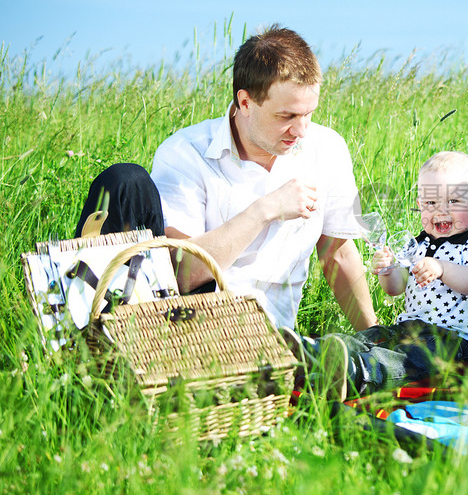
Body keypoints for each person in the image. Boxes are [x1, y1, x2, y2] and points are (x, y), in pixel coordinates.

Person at [75, 25, 377, 332]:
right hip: (192, 324)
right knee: (125, 181)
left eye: (309, 113)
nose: (301, 131)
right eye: (286, 116)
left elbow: (337, 255)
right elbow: (182, 273)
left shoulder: (326, 148)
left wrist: (375, 340)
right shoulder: (185, 153)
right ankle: (88, 344)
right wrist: (265, 210)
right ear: (245, 103)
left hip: (275, 338)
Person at [283, 151, 468, 399]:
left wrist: (442, 268)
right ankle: (312, 355)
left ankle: (355, 372)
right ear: (420, 205)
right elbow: (396, 287)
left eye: (453, 201)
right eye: (431, 204)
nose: (441, 212)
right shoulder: (418, 245)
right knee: (371, 337)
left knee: (405, 359)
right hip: (409, 328)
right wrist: (387, 270)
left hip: (456, 342)